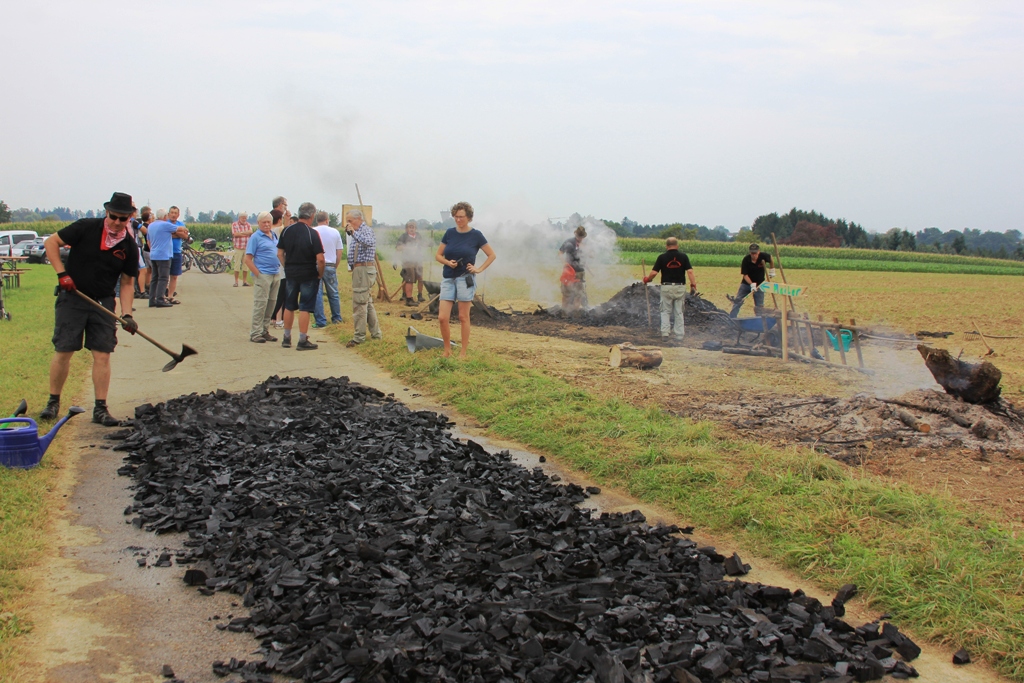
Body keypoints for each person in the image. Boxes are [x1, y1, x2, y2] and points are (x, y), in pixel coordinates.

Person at [39, 192, 140, 426]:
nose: (116, 222)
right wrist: (62, 274)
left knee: (102, 354)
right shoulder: (86, 227)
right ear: (107, 212)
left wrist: (127, 314)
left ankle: (101, 408)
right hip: (72, 297)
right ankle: (53, 402)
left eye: (122, 219)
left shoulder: (129, 247)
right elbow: (51, 243)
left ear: (129, 218)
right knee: (64, 350)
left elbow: (126, 283)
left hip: (103, 302)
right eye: (113, 216)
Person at [435, 202, 496, 358]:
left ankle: (463, 352)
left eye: (461, 217)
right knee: (442, 317)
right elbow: (438, 255)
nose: (458, 220)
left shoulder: (476, 235)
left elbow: (492, 255)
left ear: (468, 217)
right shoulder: (449, 233)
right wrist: (448, 262)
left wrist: (479, 269)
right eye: (455, 216)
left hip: (465, 279)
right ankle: (447, 350)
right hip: (448, 278)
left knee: (463, 317)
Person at [276, 202, 324, 350]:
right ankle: (302, 339)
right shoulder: (312, 233)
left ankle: (286, 337)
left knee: (289, 305)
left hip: (291, 273)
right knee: (305, 307)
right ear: (312, 215)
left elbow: (279, 253)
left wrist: (287, 266)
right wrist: (319, 274)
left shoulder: (286, 231)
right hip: (308, 273)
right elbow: (320, 259)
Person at [642, 236, 696, 341]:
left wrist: (647, 279)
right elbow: (690, 271)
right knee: (679, 311)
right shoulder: (684, 257)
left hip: (666, 287)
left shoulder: (662, 257)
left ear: (667, 246)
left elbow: (654, 273)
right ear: (677, 245)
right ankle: (679, 335)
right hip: (680, 287)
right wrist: (693, 285)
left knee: (665, 311)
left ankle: (665, 334)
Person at [344, 209, 382, 347]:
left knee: (360, 303)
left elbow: (368, 242)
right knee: (367, 302)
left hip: (364, 270)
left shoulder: (365, 231)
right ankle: (376, 333)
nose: (348, 224)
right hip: (359, 270)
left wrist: (354, 233)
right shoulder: (358, 232)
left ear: (359, 219)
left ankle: (359, 337)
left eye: (350, 221)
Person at [244, 211, 281, 343]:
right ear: (258, 223)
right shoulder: (255, 237)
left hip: (275, 273)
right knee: (261, 303)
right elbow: (248, 259)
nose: (266, 224)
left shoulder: (274, 235)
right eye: (264, 222)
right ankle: (255, 333)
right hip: (263, 274)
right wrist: (258, 274)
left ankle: (265, 330)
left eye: (268, 222)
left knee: (271, 303)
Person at [146, 209, 187, 308]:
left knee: (154, 278)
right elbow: (182, 230)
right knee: (163, 278)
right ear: (165, 216)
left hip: (154, 254)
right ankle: (160, 299)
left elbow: (148, 239)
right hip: (163, 255)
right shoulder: (165, 225)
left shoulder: (151, 225)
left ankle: (152, 299)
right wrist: (177, 233)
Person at [312, 210, 344, 327]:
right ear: (327, 220)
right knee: (333, 293)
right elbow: (339, 251)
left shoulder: (313, 231)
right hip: (330, 265)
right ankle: (337, 318)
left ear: (317, 220)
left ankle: (320, 320)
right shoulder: (335, 232)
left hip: (315, 265)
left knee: (317, 293)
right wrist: (335, 265)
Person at [728, 243, 775, 318]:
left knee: (759, 306)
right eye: (752, 253)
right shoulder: (746, 260)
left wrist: (772, 270)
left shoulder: (763, 256)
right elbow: (745, 275)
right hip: (746, 284)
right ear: (750, 252)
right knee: (738, 301)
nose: (754, 255)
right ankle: (732, 318)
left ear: (758, 252)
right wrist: (751, 284)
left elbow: (771, 258)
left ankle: (759, 320)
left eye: (755, 253)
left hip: (760, 285)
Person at [558, 225, 588, 312]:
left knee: (578, 294)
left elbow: (591, 255)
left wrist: (587, 252)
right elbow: (560, 253)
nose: (580, 239)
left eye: (582, 237)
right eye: (579, 236)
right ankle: (564, 312)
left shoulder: (584, 244)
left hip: (580, 272)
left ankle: (574, 314)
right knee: (566, 293)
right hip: (569, 271)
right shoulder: (569, 242)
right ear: (575, 234)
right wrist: (565, 263)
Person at [396, 220, 425, 306]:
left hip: (418, 260)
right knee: (409, 279)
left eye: (413, 227)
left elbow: (423, 244)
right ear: (407, 228)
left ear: (416, 228)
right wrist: (407, 247)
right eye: (410, 227)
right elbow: (398, 248)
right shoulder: (404, 237)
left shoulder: (418, 236)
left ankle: (420, 295)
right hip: (408, 261)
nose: (412, 229)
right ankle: (408, 298)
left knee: (420, 277)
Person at [269, 209, 288, 328]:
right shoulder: (278, 230)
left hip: (270, 267)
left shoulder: (268, 231)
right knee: (280, 295)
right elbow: (286, 229)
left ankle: (271, 317)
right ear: (280, 220)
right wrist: (287, 219)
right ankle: (278, 318)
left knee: (272, 295)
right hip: (280, 267)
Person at [166, 206, 188, 303]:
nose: (174, 215)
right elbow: (167, 235)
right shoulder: (165, 224)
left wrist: (175, 233)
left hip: (177, 252)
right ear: (168, 214)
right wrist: (178, 233)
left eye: (175, 213)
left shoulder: (181, 224)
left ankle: (170, 296)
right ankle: (163, 295)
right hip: (166, 252)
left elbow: (185, 236)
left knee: (174, 276)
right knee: (164, 275)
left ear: (178, 215)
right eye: (172, 212)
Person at [230, 212, 253, 287]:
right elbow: (235, 234)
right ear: (239, 218)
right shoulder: (234, 224)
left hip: (246, 247)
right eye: (243, 218)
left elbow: (251, 232)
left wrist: (241, 233)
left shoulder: (248, 225)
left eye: (245, 218)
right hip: (238, 247)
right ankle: (236, 281)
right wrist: (245, 233)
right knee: (237, 264)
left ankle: (244, 281)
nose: (244, 219)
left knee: (245, 265)